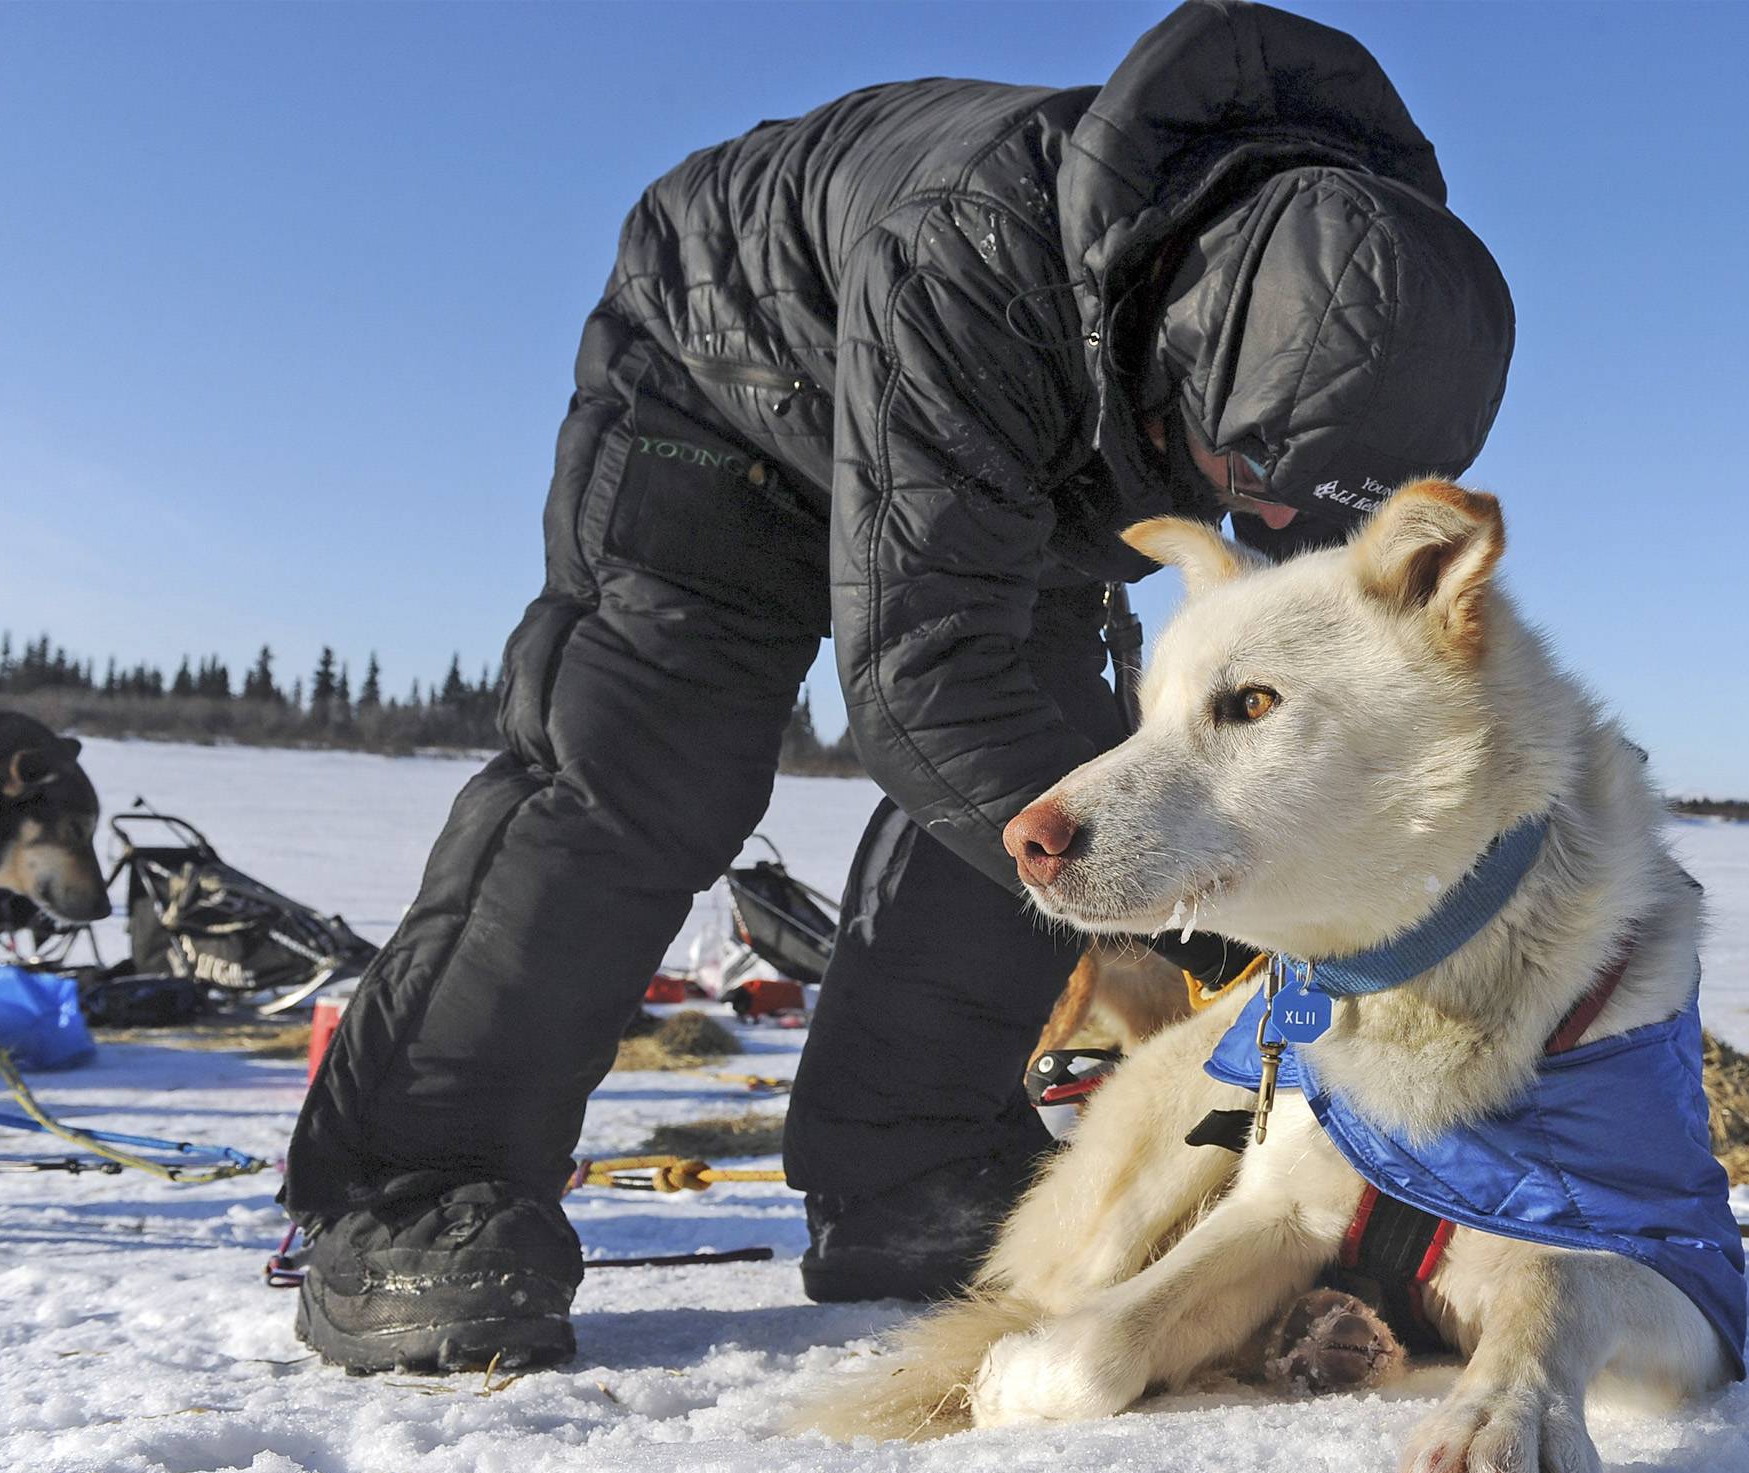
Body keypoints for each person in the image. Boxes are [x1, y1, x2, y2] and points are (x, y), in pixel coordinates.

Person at [283, 0, 1514, 1374]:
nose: (1260, 535)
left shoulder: (1347, 315)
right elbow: (919, 682)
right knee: (641, 766)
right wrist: (1237, 933)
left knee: (1064, 768)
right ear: (1177, 351)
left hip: (1013, 467)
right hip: (724, 386)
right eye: (1239, 490)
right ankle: (411, 1189)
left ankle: (907, 1165)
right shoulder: (969, 246)